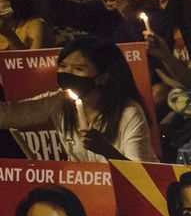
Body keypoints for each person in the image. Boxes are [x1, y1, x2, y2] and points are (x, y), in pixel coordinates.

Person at [0, 35, 153, 163]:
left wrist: (107, 151)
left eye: (78, 69)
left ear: (104, 77)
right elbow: (8, 116)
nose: (67, 73)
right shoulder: (58, 102)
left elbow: (141, 175)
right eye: (63, 66)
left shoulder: (128, 113)